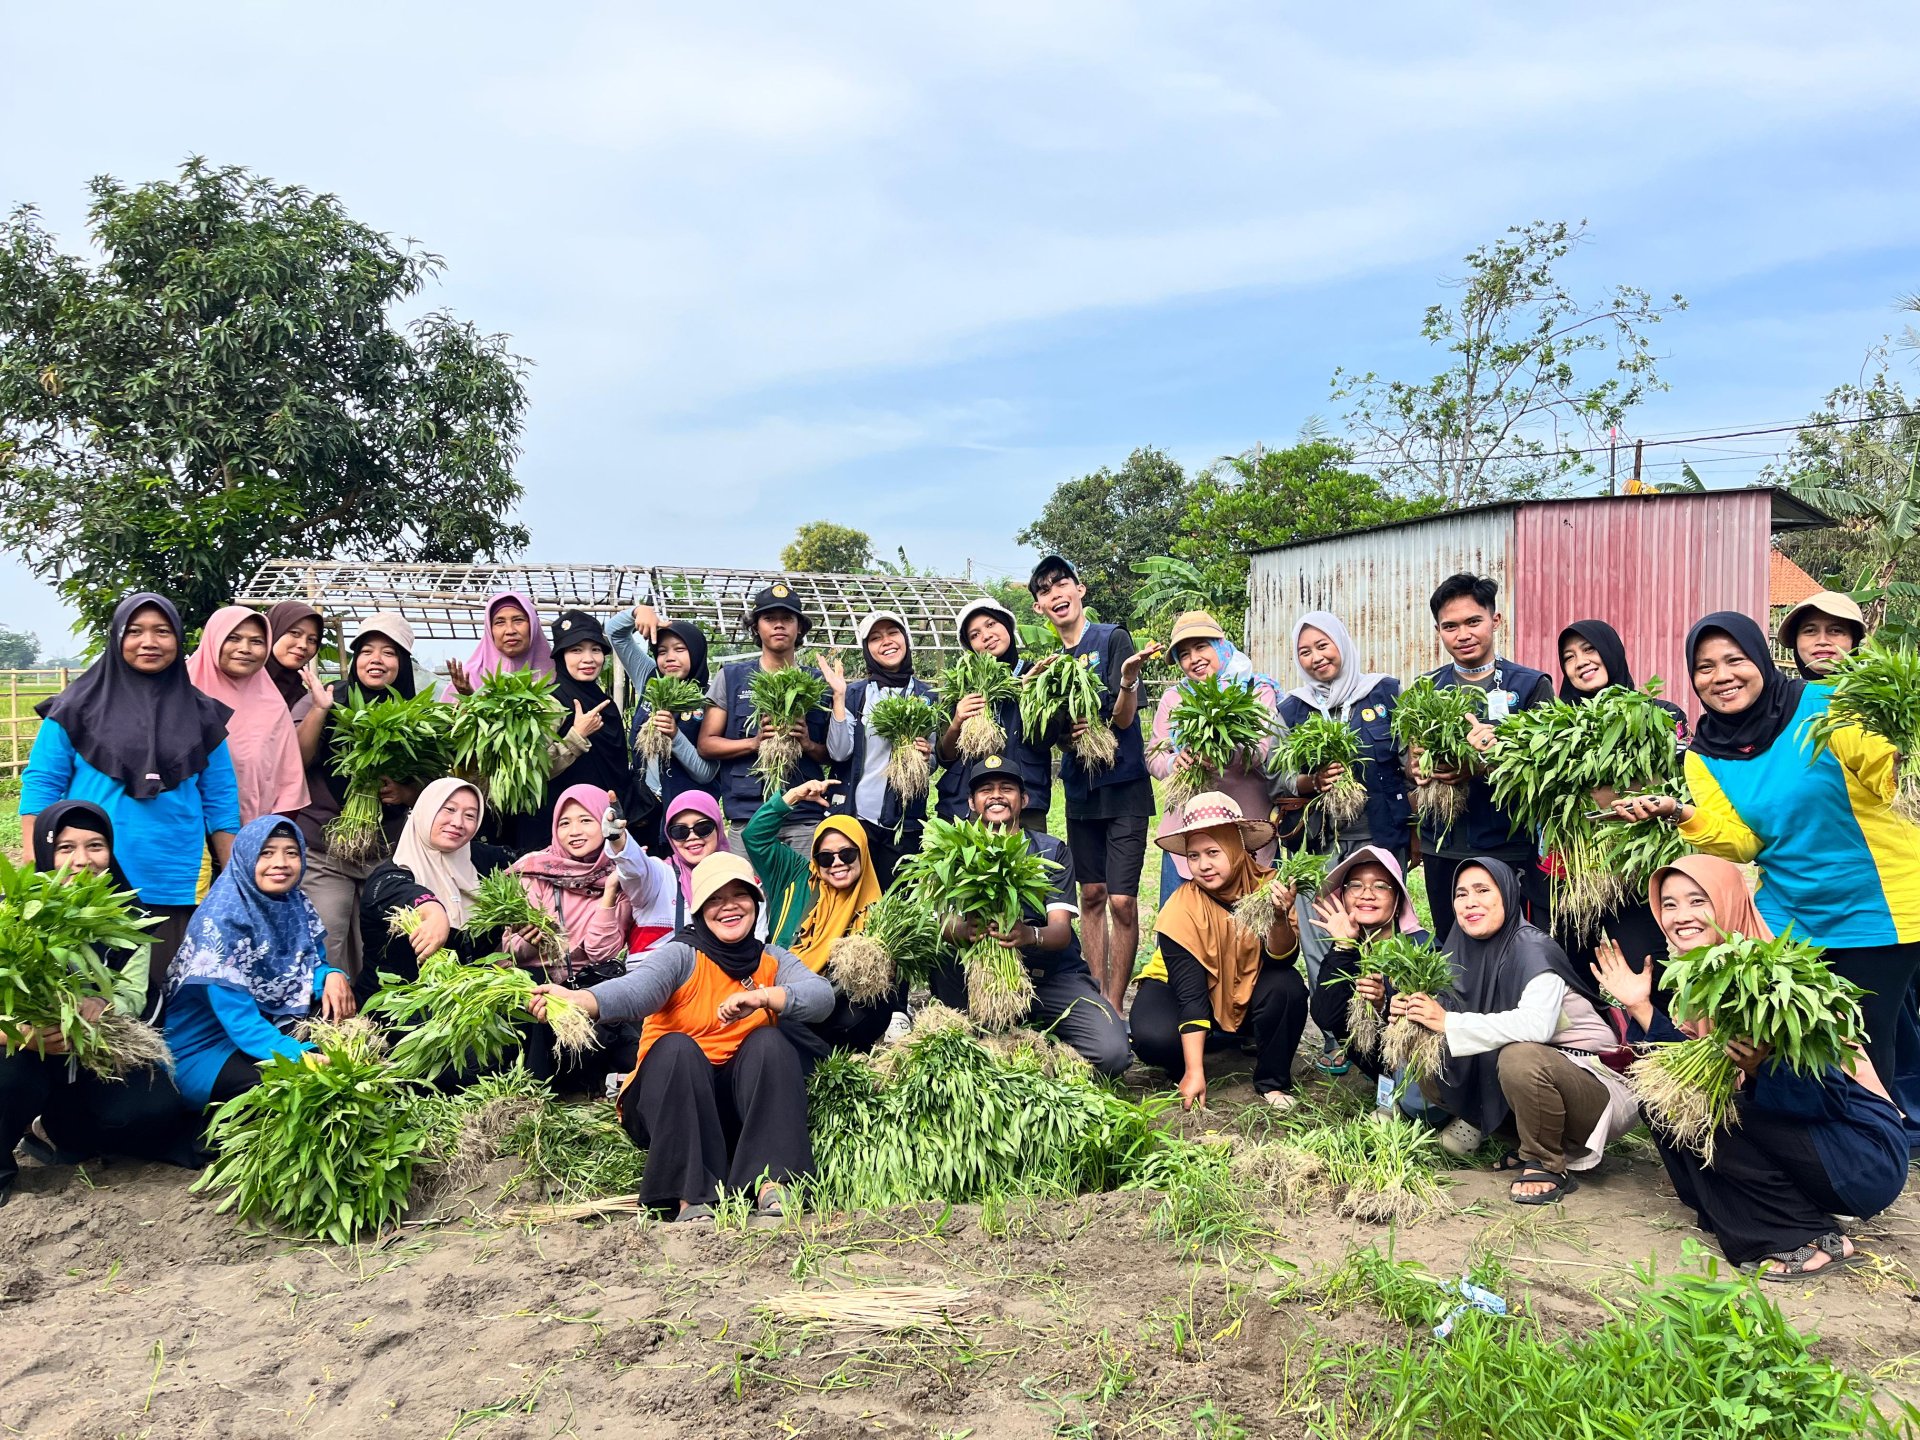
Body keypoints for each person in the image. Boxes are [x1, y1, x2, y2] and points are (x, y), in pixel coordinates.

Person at [1612, 612, 1920, 1134]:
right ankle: (1788, 1133)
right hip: (1789, 903)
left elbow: (1888, 779)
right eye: (1705, 667)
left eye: (1735, 660)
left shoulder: (1823, 705)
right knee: (1767, 1019)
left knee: (1860, 1035)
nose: (1721, 676)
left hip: (1881, 899)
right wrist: (1682, 813)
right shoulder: (1705, 753)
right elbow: (1744, 842)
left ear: (1761, 660)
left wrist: (1904, 749)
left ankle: (1871, 1141)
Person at [1594, 855, 1907, 1277]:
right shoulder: (1700, 978)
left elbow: (1826, 1099)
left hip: (1859, 1156)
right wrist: (1641, 1007)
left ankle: (1809, 1238)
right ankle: (1761, 1210)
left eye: (1697, 901)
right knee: (1663, 1099)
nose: (1681, 916)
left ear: (1727, 901)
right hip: (1808, 1146)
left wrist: (1763, 1067)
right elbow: (1686, 1071)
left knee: (1705, 1109)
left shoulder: (1774, 978)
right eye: (1669, 904)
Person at [530, 853, 831, 1223]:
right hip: (669, 1105)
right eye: (715, 900)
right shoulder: (681, 955)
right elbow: (637, 991)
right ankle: (692, 1196)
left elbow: (821, 997)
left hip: (733, 1109)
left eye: (739, 896)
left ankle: (773, 1184)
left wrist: (764, 997)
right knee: (676, 1048)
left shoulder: (772, 960)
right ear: (700, 910)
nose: (728, 907)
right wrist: (580, 1000)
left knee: (771, 1044)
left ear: (755, 902)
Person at [1373, 857, 1635, 1203]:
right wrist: (1412, 1015)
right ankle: (1528, 1142)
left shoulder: (1533, 949)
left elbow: (1536, 1025)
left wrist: (1447, 1021)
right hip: (1543, 1083)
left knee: (1520, 1056)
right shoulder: (1459, 951)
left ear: (1508, 895)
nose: (1470, 902)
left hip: (1594, 1089)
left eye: (1483, 890)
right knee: (1428, 1051)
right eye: (1461, 893)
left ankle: (1546, 1163)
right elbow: (1447, 1019)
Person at [20, 592, 240, 975]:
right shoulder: (74, 708)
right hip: (86, 874)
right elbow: (41, 784)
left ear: (178, 640)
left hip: (174, 875)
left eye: (162, 631)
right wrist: (34, 865)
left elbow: (220, 800)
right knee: (91, 997)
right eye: (135, 631)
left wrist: (235, 880)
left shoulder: (203, 715)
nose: (149, 642)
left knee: (162, 997)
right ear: (116, 636)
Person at [0, 802, 201, 1205]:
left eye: (95, 846)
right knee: (12, 1079)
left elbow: (131, 992)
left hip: (96, 1050)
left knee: (151, 1107)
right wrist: (20, 1032)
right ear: (45, 852)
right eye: (66, 848)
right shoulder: (16, 915)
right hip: (25, 1050)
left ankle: (57, 1132)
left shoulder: (128, 916)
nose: (82, 860)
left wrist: (105, 1007)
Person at [928, 756, 1133, 1076]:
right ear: (971, 801)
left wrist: (1029, 936)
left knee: (1112, 1054)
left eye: (1007, 788)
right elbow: (944, 924)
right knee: (944, 967)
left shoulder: (1050, 851)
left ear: (1023, 800)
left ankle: (1036, 1041)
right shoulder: (954, 852)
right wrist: (964, 931)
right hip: (980, 978)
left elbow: (1061, 932)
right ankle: (986, 1033)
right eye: (986, 789)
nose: (996, 795)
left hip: (1049, 975)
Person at [1028, 555, 1157, 1011]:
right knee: (1091, 894)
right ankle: (1095, 999)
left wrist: (1125, 683)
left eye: (1061, 583)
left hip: (1123, 787)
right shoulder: (1047, 664)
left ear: (1079, 590)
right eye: (1044, 591)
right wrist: (1062, 728)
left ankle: (1116, 1003)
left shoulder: (1113, 638)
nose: (1055, 594)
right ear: (1040, 608)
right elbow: (1045, 735)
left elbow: (1124, 717)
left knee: (1123, 901)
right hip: (1081, 790)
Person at [164, 816, 356, 1110]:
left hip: (267, 1026)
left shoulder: (294, 903)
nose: (280, 862)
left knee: (341, 1033)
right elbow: (239, 1021)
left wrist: (331, 974)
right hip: (208, 1045)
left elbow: (308, 965)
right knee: (290, 1087)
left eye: (291, 853)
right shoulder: (221, 922)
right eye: (266, 853)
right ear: (245, 857)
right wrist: (298, 1056)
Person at [1131, 794, 1306, 1112]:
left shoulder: (1270, 888)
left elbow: (1282, 959)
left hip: (1248, 984)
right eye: (1194, 855)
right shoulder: (1181, 909)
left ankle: (1272, 1081)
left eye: (1213, 852)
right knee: (1152, 1037)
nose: (1203, 865)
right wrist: (1195, 1072)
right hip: (1183, 991)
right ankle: (1192, 1059)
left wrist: (1280, 917)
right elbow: (1191, 995)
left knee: (1288, 986)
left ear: (1236, 847)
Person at [1405, 574, 1554, 940]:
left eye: (1474, 621)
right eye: (1450, 626)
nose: (1463, 634)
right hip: (1443, 844)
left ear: (1495, 620)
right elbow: (1405, 763)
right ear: (1439, 631)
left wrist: (1483, 766)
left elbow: (1548, 768)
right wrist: (1416, 766)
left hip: (1508, 844)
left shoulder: (1530, 686)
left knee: (1514, 943)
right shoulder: (1426, 688)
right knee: (1452, 944)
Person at [289, 612, 423, 977]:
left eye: (388, 653)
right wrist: (320, 710)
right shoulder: (329, 697)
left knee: (380, 942)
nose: (376, 660)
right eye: (366, 651)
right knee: (327, 935)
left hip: (385, 852)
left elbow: (433, 784)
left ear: (403, 663)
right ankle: (327, 1019)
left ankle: (375, 1022)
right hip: (325, 846)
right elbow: (296, 758)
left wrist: (407, 792)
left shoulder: (418, 713)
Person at [1551, 618, 1688, 968]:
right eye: (1569, 656)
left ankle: (1652, 1025)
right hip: (1574, 876)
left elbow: (1684, 784)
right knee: (1570, 975)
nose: (1580, 661)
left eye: (1589, 649)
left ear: (1611, 651)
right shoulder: (1556, 724)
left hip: (1635, 874)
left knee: (1645, 965)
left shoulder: (1661, 715)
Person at [504, 782, 654, 1091]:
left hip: (587, 987)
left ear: (604, 822)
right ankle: (532, 1097)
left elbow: (602, 952)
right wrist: (528, 940)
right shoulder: (533, 872)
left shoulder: (620, 875)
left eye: (586, 820)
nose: (574, 830)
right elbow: (510, 949)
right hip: (536, 985)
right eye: (565, 822)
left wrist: (610, 892)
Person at [742, 778, 894, 1052]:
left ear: (862, 853)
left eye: (847, 854)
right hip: (780, 993)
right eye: (826, 857)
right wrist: (792, 797)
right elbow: (755, 838)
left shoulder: (879, 909)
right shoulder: (794, 876)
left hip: (834, 1010)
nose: (836, 863)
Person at [1147, 611, 1282, 902]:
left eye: (1201, 647)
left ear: (1221, 645)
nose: (1193, 658)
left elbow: (1259, 750)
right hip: (1186, 830)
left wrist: (1223, 749)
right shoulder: (1174, 698)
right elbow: (1154, 754)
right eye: (1184, 654)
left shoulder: (1256, 690)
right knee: (1181, 932)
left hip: (1245, 828)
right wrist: (1174, 762)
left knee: (1246, 934)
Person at [697, 585, 832, 855]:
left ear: (799, 628)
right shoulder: (731, 677)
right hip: (749, 816)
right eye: (770, 619)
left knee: (804, 895)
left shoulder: (818, 683)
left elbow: (834, 754)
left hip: (803, 815)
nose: (779, 625)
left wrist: (807, 744)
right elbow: (706, 744)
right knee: (748, 895)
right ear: (756, 627)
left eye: (788, 618)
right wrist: (754, 743)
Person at [355, 779, 514, 1005]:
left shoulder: (480, 861)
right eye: (448, 809)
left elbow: (532, 861)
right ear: (425, 810)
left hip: (469, 1002)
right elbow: (405, 893)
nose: (458, 822)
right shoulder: (389, 878)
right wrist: (435, 912)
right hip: (401, 1009)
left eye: (470, 815)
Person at [1275, 610, 1410, 861]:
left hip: (1383, 837)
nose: (1316, 658)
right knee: (1323, 902)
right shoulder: (1291, 709)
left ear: (1342, 642)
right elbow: (1276, 778)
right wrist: (1313, 781)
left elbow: (1408, 763)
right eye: (1305, 652)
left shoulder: (1384, 692)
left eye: (1322, 646)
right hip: (1320, 845)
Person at [516, 609, 648, 852]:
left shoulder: (604, 704)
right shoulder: (549, 703)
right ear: (561, 657)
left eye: (595, 649)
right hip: (560, 831)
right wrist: (576, 735)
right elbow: (530, 772)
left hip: (605, 827)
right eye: (576, 650)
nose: (588, 658)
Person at [824, 610, 938, 884]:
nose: (886, 641)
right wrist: (838, 698)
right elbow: (839, 753)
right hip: (856, 820)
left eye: (892, 633)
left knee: (897, 902)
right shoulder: (855, 694)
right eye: (875, 638)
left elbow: (932, 763)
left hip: (904, 822)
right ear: (867, 649)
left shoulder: (926, 697)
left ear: (905, 640)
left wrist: (925, 756)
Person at [1306, 845, 1432, 1078]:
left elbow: (1430, 1030)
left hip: (1427, 1073)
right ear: (1342, 897)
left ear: (1398, 900)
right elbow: (1325, 1015)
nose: (1366, 894)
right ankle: (1387, 1087)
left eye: (1381, 886)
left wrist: (1384, 1004)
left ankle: (1410, 1099)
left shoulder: (1421, 948)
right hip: (1382, 1063)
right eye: (1355, 885)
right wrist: (1342, 947)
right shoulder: (1351, 947)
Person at [185, 606, 310, 826]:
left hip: (254, 834)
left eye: (257, 641)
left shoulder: (272, 704)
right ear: (214, 639)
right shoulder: (181, 692)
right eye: (233, 638)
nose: (245, 649)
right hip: (187, 832)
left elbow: (288, 779)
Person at [935, 598, 1051, 829]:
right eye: (975, 634)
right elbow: (944, 756)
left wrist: (1028, 695)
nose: (986, 636)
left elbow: (1046, 739)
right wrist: (957, 720)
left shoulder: (1038, 674)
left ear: (1007, 626)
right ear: (969, 646)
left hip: (1024, 805)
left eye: (991, 625)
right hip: (965, 806)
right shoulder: (960, 683)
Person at [609, 603, 717, 831]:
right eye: (662, 651)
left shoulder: (711, 699)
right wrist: (639, 611)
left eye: (679, 649)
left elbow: (707, 774)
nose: (669, 658)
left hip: (688, 820)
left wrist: (675, 736)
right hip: (643, 810)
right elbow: (615, 633)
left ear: (696, 651)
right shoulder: (649, 678)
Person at [442, 589, 553, 699]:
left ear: (533, 626)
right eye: (499, 622)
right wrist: (468, 698)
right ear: (490, 631)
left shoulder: (558, 675)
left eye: (518, 620)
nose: (510, 630)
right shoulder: (466, 678)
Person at [1778, 590, 1866, 681]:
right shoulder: (1780, 693)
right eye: (1810, 631)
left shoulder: (1876, 694)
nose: (1822, 641)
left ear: (1854, 640)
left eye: (1835, 631)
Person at [261, 601, 324, 711]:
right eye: (295, 633)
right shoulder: (242, 683)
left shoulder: (302, 697)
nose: (303, 645)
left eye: (312, 640)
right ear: (273, 631)